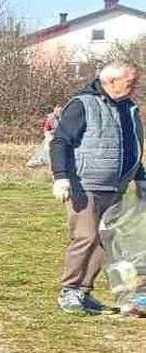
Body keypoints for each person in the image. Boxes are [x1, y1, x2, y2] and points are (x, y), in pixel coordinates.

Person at [49, 60, 143, 315]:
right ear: (111, 81)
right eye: (131, 82)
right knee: (86, 237)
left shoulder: (130, 109)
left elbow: (131, 147)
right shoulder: (83, 105)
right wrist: (61, 177)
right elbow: (60, 142)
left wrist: (140, 176)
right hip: (85, 185)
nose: (135, 86)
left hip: (116, 188)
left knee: (105, 240)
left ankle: (84, 292)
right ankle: (69, 291)